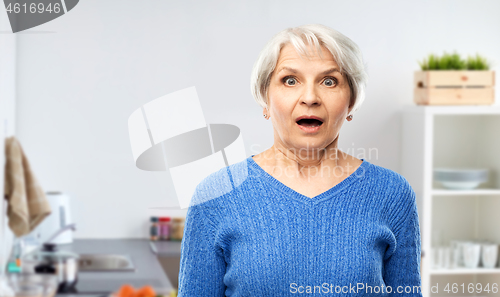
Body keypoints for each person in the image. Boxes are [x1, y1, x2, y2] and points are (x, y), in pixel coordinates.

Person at [177, 24, 422, 296]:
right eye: (290, 80)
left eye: (329, 81)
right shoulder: (215, 195)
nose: (309, 98)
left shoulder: (393, 194)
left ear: (351, 101)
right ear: (265, 98)